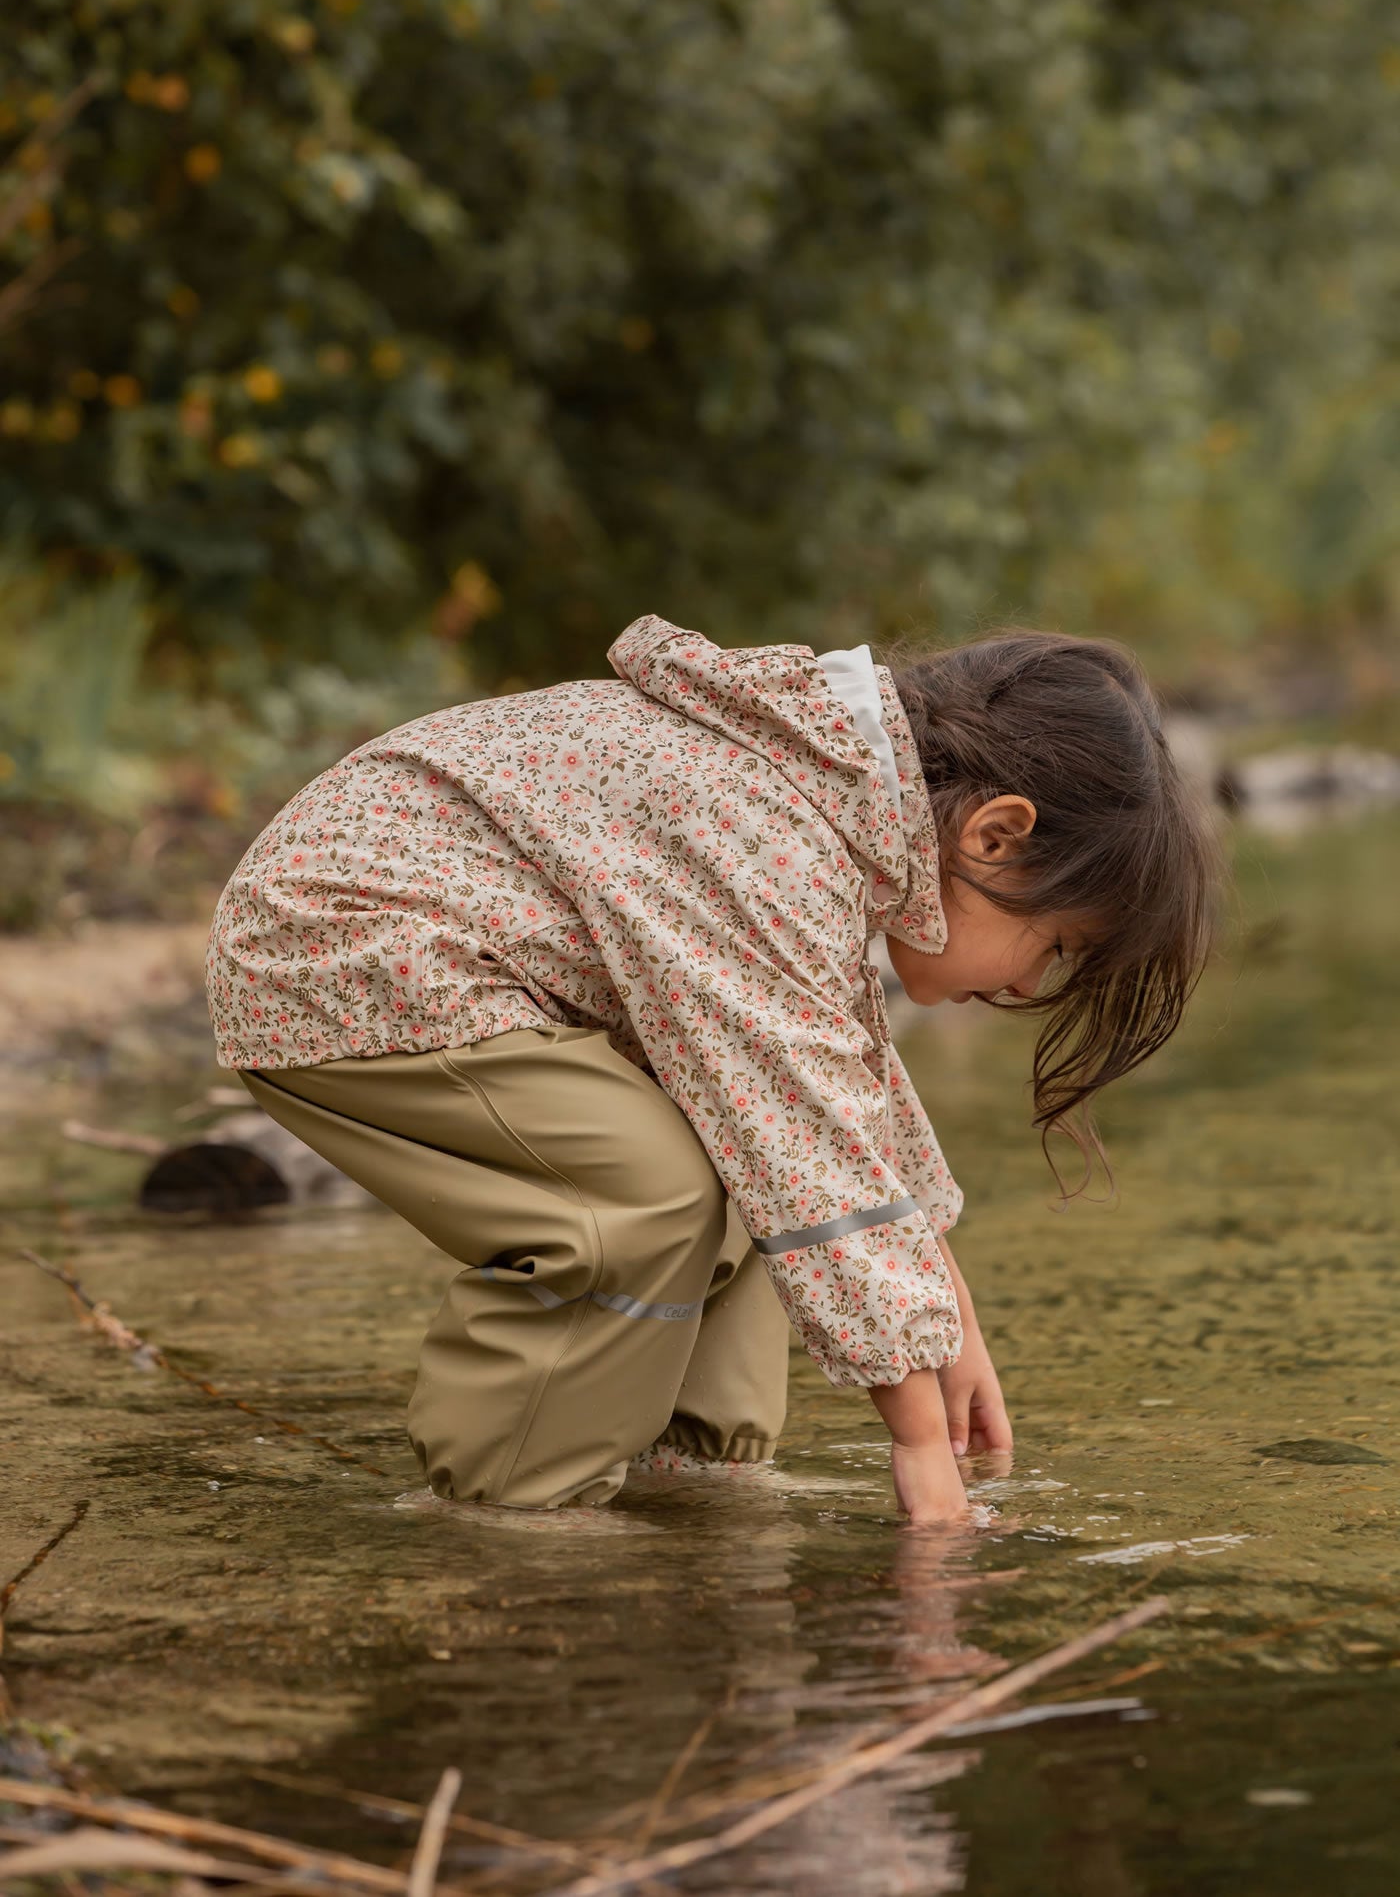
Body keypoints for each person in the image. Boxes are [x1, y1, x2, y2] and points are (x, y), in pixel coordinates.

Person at [204, 615, 1220, 1523]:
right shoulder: (769, 831)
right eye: (1051, 949)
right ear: (995, 836)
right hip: (347, 947)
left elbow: (832, 1102)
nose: (1025, 985)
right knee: (639, 1201)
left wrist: (943, 1317)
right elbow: (802, 1139)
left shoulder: (823, 806)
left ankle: (694, 1488)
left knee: (734, 1166)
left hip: (470, 962)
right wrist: (917, 1444)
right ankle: (509, 1516)